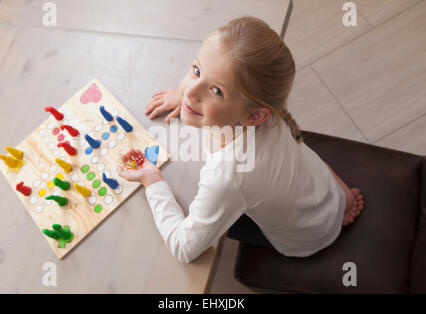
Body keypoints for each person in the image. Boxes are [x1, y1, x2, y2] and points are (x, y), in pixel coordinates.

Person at [118, 16, 364, 263]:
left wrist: (152, 179)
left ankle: (333, 219)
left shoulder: (227, 176)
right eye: (196, 70)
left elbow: (183, 247)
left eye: (216, 91)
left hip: (305, 237)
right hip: (324, 190)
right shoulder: (265, 108)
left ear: (254, 116)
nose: (191, 91)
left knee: (220, 218)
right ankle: (339, 201)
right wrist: (183, 96)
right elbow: (197, 88)